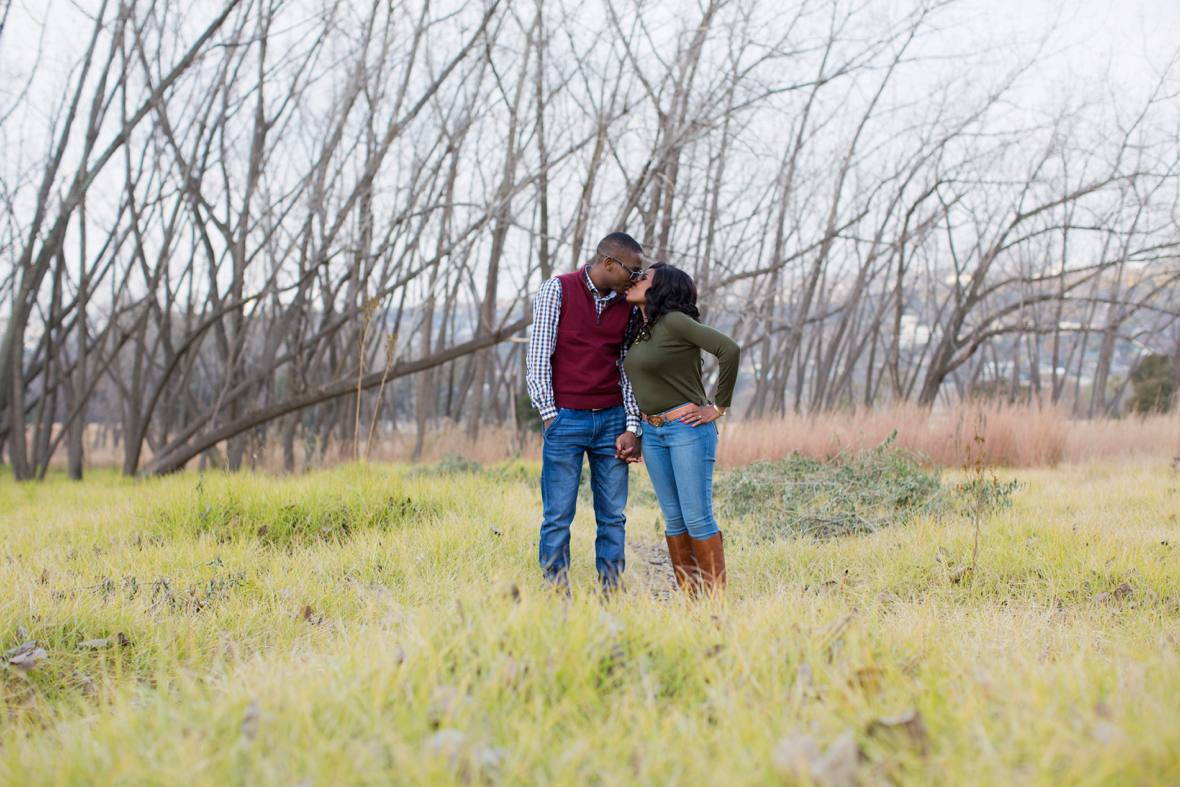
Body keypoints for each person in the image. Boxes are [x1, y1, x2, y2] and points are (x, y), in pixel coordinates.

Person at [526, 232, 646, 592]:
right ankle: (555, 591)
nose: (637, 278)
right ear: (609, 263)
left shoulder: (627, 305)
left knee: (613, 516)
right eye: (633, 270)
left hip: (611, 420)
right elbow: (538, 359)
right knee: (558, 515)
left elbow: (626, 367)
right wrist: (551, 416)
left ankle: (611, 589)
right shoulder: (557, 290)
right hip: (566, 418)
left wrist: (631, 425)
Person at [621, 263, 740, 596]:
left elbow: (729, 349)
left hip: (686, 430)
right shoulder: (642, 329)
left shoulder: (675, 322)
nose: (635, 279)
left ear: (660, 288)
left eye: (643, 277)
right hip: (653, 433)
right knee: (673, 519)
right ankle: (692, 601)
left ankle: (715, 604)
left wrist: (717, 407)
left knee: (696, 516)